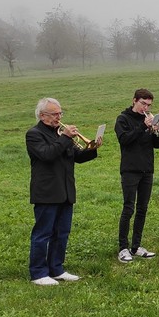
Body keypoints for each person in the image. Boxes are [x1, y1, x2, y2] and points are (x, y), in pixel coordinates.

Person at [26, 97, 101, 285]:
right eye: (55, 114)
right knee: (43, 233)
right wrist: (66, 137)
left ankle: (56, 269)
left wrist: (92, 149)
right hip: (47, 192)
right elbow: (47, 155)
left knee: (62, 233)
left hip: (66, 190)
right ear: (42, 115)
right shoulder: (34, 134)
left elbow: (77, 157)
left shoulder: (60, 134)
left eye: (60, 113)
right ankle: (38, 273)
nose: (59, 117)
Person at [115, 88, 159, 263]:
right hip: (130, 170)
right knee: (129, 208)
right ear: (134, 100)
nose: (146, 107)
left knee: (143, 209)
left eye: (149, 104)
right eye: (143, 103)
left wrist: (155, 130)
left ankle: (136, 246)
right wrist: (143, 126)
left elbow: (158, 145)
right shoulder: (123, 119)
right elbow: (125, 140)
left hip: (147, 169)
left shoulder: (148, 120)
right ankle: (123, 248)